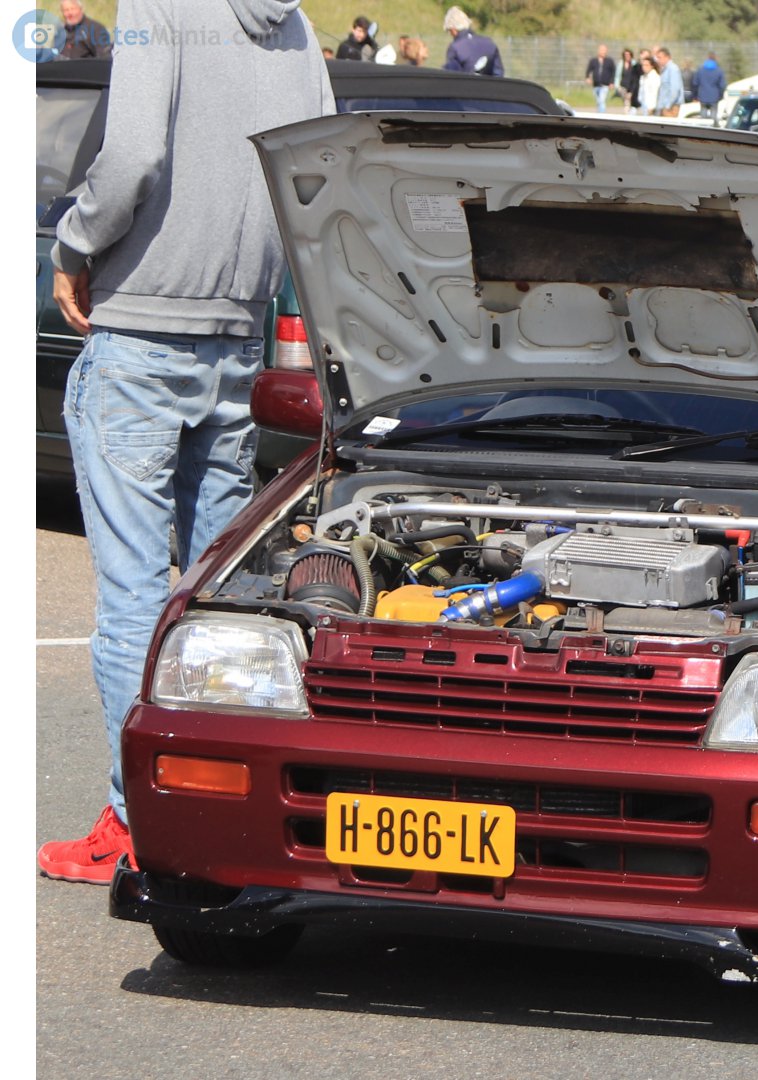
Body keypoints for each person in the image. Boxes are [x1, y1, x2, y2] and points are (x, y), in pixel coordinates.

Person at [37, 0, 333, 886]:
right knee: (215, 601)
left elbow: (130, 158)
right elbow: (317, 160)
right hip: (236, 335)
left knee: (133, 597)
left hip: (142, 330)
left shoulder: (158, 8)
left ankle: (137, 822)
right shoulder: (296, 26)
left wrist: (74, 241)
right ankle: (212, 817)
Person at [443, 6, 504, 76]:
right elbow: (499, 74)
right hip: (489, 86)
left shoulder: (455, 48)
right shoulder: (490, 43)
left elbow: (451, 77)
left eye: (449, 31)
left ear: (453, 30)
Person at [693, 52, 727, 123]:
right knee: (713, 118)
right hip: (714, 97)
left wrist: (695, 95)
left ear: (707, 58)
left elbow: (695, 83)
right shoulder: (719, 70)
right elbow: (722, 86)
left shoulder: (700, 69)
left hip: (702, 96)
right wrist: (720, 96)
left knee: (703, 118)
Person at [585, 44, 616, 113]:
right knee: (598, 102)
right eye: (602, 50)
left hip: (605, 85)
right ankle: (599, 115)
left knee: (602, 101)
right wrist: (587, 78)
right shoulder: (593, 60)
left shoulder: (610, 61)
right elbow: (588, 70)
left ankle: (602, 116)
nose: (603, 52)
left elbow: (613, 72)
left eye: (605, 50)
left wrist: (612, 82)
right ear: (598, 51)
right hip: (595, 85)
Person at [655, 47, 684, 117]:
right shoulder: (665, 70)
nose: (658, 60)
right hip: (664, 107)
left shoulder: (673, 69)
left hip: (671, 108)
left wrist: (667, 106)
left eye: (659, 58)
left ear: (667, 57)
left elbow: (675, 90)